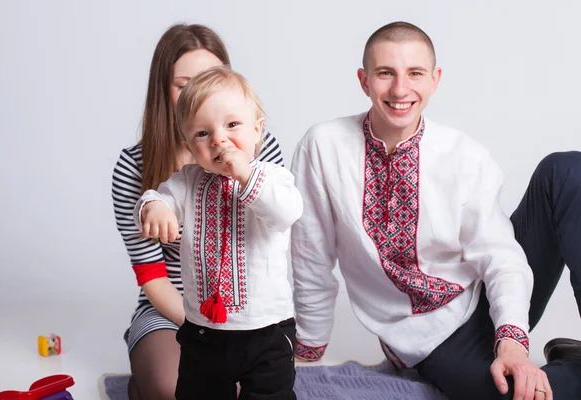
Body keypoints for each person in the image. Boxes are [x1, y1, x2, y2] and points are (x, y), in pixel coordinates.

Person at [290, 21, 581, 400]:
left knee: (566, 171)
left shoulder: (464, 155)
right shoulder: (323, 147)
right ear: (364, 81)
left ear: (434, 80)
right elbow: (311, 257)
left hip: (489, 292)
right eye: (385, 74)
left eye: (414, 73)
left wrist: (512, 341)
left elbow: (499, 255)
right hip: (431, 337)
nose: (399, 89)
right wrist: (308, 351)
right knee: (519, 396)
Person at [111, 24, 285, 399]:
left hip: (246, 313)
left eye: (209, 78)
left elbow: (282, 219)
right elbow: (151, 274)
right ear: (164, 91)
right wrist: (154, 204)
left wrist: (247, 174)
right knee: (173, 387)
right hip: (175, 311)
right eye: (183, 84)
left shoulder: (258, 148)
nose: (197, 92)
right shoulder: (136, 166)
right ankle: (144, 377)